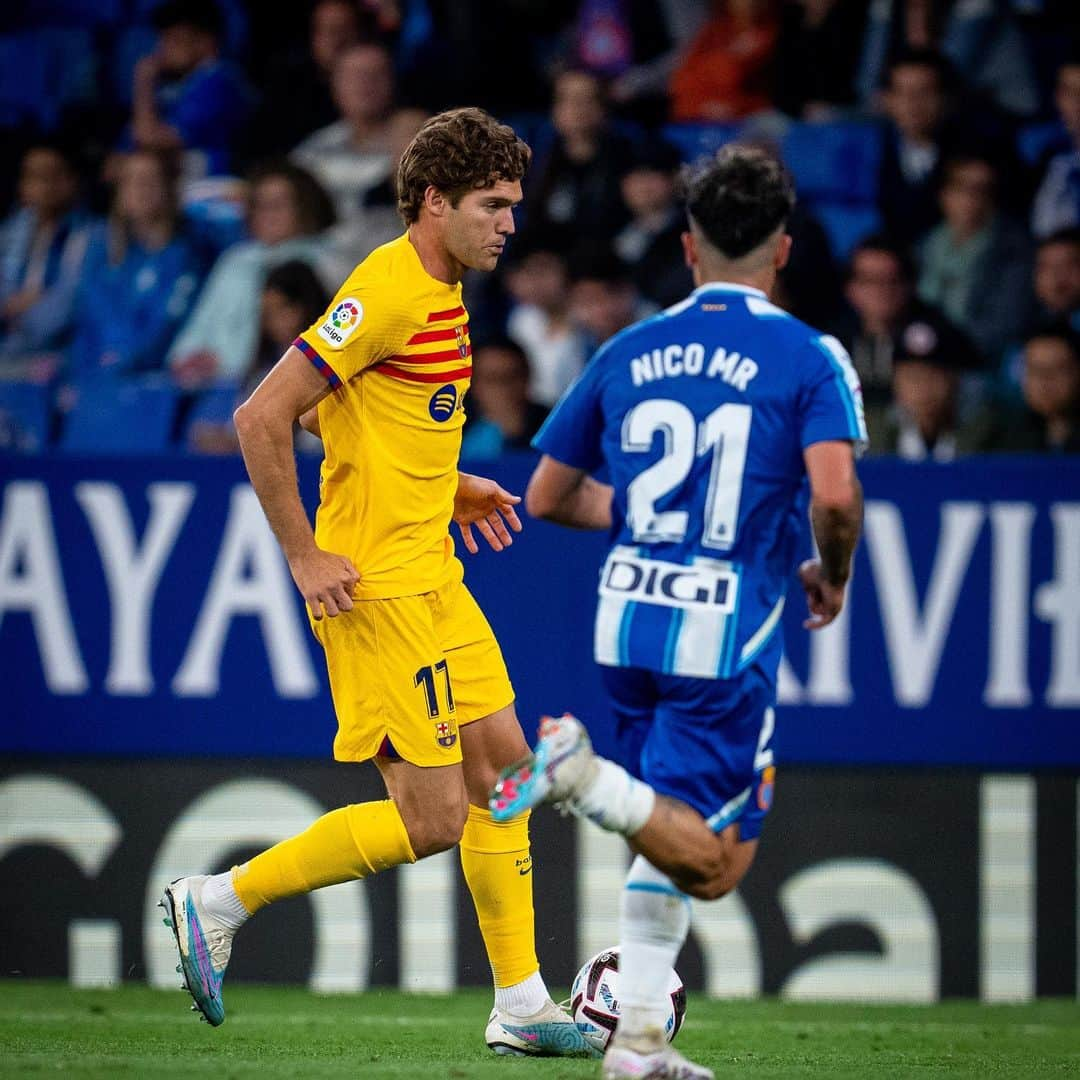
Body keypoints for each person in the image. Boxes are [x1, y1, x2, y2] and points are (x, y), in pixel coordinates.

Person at [160, 107, 595, 1060]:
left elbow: (350, 409)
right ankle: (219, 900)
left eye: (514, 205)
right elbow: (261, 416)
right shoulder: (389, 289)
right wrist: (305, 556)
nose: (509, 224)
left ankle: (521, 1002)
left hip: (434, 573)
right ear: (434, 202)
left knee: (507, 775)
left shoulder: (441, 289)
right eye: (493, 204)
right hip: (378, 592)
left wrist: (445, 482)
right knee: (434, 819)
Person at [490, 145, 866, 1080]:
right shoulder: (811, 356)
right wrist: (831, 569)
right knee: (713, 861)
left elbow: (545, 495)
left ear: (689, 250)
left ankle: (641, 1048)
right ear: (782, 251)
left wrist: (663, 515)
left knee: (686, 835)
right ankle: (584, 778)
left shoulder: (628, 348)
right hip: (721, 626)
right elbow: (837, 495)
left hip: (627, 618)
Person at [168, 160, 341, 387]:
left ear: (304, 207)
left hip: (289, 383)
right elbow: (198, 328)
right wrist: (189, 358)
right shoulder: (234, 261)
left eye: (278, 205)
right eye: (261, 205)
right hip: (218, 389)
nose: (269, 215)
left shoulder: (328, 259)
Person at [69, 149, 205, 380]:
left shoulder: (188, 253)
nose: (141, 189)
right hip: (95, 374)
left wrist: (124, 360)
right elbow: (89, 317)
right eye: (132, 180)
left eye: (150, 180)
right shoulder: (102, 251)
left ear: (168, 189)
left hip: (153, 378)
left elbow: (170, 324)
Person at [917, 152, 1034, 366]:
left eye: (982, 190)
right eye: (961, 187)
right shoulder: (925, 245)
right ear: (943, 194)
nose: (971, 199)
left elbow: (1005, 326)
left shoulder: (1014, 250)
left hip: (979, 362)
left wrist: (949, 349)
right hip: (922, 355)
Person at [0, 141, 99, 380]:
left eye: (53, 176)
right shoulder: (9, 234)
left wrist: (22, 315)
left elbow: (70, 302)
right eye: (34, 177)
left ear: (72, 181)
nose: (44, 186)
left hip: (60, 353)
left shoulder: (91, 235)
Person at [126, 0, 252, 177]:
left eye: (174, 40)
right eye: (163, 38)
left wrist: (144, 81)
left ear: (206, 43)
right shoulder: (173, 85)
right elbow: (119, 159)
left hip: (211, 191)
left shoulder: (218, 82)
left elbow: (149, 140)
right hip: (183, 190)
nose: (163, 48)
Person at [289, 42, 399, 224]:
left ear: (392, 82)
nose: (364, 84)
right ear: (334, 85)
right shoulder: (315, 148)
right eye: (354, 76)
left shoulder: (411, 143)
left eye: (375, 75)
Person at [460, 339, 550, 460]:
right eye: (492, 379)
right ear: (473, 385)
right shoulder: (455, 429)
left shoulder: (551, 426)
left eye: (512, 377)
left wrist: (514, 434)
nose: (503, 387)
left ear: (527, 378)